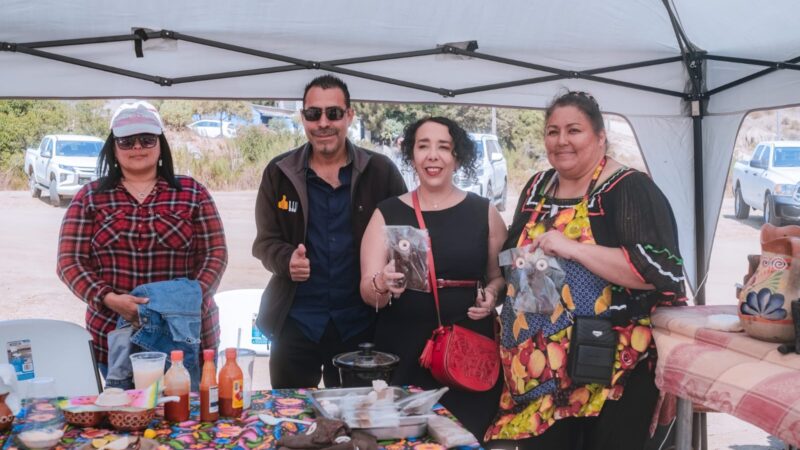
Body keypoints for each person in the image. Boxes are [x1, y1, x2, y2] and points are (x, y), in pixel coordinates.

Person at [484, 91, 687, 450]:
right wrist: (497, 288)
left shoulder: (628, 187)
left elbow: (656, 272)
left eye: (573, 130)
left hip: (608, 372)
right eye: (552, 131)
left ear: (599, 136)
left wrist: (573, 248)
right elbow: (517, 260)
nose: (561, 140)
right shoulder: (536, 187)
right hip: (538, 373)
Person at [252, 75, 407, 389]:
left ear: (349, 116)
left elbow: (404, 238)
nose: (323, 122)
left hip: (361, 326)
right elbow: (264, 243)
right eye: (314, 114)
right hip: (296, 324)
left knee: (358, 424)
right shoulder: (278, 172)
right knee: (291, 420)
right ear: (303, 117)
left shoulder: (381, 171)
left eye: (333, 113)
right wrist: (286, 260)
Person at [360, 117, 507, 441]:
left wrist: (493, 295)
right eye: (423, 146)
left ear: (458, 156)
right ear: (412, 155)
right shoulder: (386, 213)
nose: (433, 155)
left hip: (468, 358)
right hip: (402, 354)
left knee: (466, 440)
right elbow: (368, 292)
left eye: (444, 147)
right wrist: (382, 283)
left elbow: (500, 278)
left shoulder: (485, 212)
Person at [57, 101, 228, 375]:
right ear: (113, 149)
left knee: (187, 416)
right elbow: (70, 262)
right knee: (124, 415)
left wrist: (179, 305)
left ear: (160, 146)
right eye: (126, 141)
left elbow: (215, 254)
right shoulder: (90, 197)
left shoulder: (192, 193)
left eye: (147, 139)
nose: (137, 147)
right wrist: (109, 298)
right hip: (113, 331)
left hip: (186, 333)